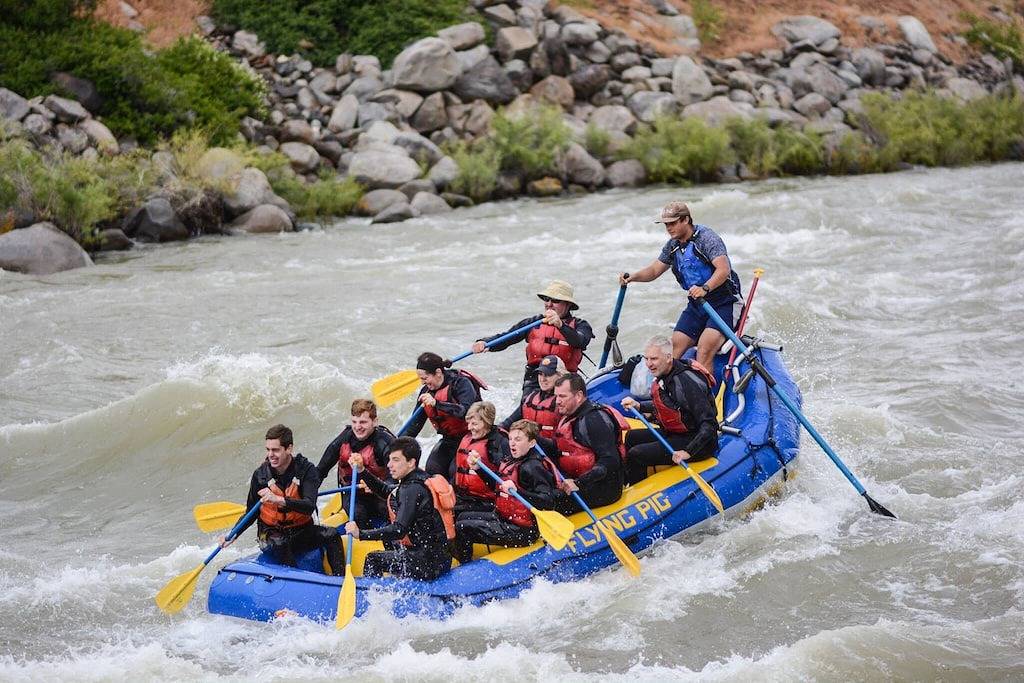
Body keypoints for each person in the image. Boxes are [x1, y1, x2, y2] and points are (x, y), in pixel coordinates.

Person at [619, 201, 743, 369]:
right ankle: (669, 391)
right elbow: (655, 270)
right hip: (697, 304)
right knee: (673, 349)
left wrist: (705, 288)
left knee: (704, 349)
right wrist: (633, 277)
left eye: (672, 223)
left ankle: (705, 394)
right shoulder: (673, 245)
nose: (669, 228)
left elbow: (723, 269)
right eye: (666, 225)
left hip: (724, 302)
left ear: (685, 220)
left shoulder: (707, 239)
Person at [223, 424, 345, 574]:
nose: (270, 455)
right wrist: (233, 534)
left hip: (301, 531)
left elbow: (309, 506)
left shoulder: (306, 470)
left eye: (275, 450)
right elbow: (251, 512)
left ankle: (339, 581)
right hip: (271, 534)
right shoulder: (260, 476)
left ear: (289, 449)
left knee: (331, 535)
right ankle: (295, 582)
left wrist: (279, 500)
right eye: (268, 450)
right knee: (280, 543)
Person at [344, 437, 454, 581]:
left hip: (429, 563)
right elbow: (386, 491)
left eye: (396, 460)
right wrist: (362, 471)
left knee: (373, 559)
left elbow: (398, 530)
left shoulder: (412, 489)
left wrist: (361, 534)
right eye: (389, 459)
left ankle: (373, 600)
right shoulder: (420, 477)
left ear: (411, 462)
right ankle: (399, 581)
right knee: (388, 541)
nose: (389, 465)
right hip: (439, 555)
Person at [452, 420, 558, 563]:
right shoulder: (511, 460)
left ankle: (465, 566)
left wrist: (518, 492)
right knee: (462, 516)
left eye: (518, 439)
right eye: (511, 439)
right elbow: (497, 487)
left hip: (522, 531)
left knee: (462, 527)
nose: (512, 443)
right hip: (503, 518)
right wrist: (479, 469)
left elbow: (548, 501)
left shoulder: (533, 467)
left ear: (532, 443)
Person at [620, 335, 720, 485]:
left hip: (697, 442)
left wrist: (688, 452)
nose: (648, 364)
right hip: (677, 434)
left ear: (668, 357)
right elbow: (670, 407)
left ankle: (637, 490)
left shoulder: (686, 382)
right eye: (646, 359)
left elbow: (710, 425)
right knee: (631, 438)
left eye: (653, 359)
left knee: (636, 454)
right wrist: (639, 406)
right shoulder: (665, 375)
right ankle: (627, 480)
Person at [472, 280, 594, 397]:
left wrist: (561, 325)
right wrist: (485, 343)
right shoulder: (533, 323)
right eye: (547, 299)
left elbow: (580, 341)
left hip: (565, 382)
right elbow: (506, 338)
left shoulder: (581, 325)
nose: (549, 304)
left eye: (556, 300)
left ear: (568, 305)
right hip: (535, 380)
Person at [546, 373, 627, 514]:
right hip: (579, 479)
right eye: (556, 396)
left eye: (562, 396)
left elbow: (610, 460)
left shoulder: (594, 420)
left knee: (549, 501)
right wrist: (531, 438)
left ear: (578, 396)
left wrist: (578, 483)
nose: (557, 401)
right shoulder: (570, 416)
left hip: (603, 489)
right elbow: (560, 447)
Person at [402, 352, 485, 478]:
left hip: (471, 437)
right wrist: (396, 445)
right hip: (449, 439)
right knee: (433, 469)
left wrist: (437, 404)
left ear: (438, 372)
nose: (422, 383)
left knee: (454, 471)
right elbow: (413, 427)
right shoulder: (426, 392)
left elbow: (467, 412)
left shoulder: (461, 383)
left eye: (425, 378)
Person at [317, 398, 395, 527]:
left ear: (374, 422)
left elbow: (396, 478)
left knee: (386, 509)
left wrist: (378, 486)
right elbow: (320, 470)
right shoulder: (343, 440)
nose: (358, 427)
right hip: (352, 492)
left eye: (363, 422)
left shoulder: (385, 442)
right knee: (358, 514)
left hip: (380, 493)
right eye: (354, 422)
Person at [452, 401, 511, 515]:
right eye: (469, 423)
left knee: (458, 518)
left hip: (486, 502)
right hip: (464, 497)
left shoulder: (498, 444)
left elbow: (503, 482)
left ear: (486, 423)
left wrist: (480, 469)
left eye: (474, 424)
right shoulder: (467, 438)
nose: (470, 428)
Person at [500, 354, 564, 439]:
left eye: (548, 375)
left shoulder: (565, 402)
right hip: (529, 447)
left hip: (551, 448)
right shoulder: (530, 398)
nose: (542, 379)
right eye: (540, 374)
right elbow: (506, 425)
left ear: (560, 375)